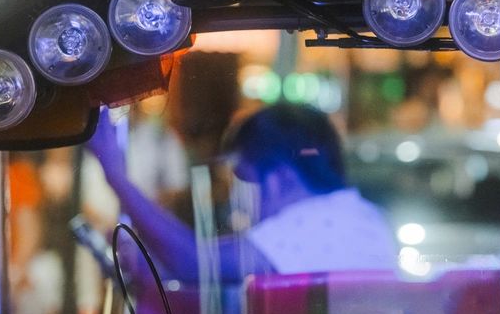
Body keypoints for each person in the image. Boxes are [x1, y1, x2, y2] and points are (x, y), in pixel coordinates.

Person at [88, 99, 395, 282]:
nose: (242, 204)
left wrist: (116, 176)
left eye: (245, 179)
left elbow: (197, 264)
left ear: (281, 178)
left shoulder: (320, 224)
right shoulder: (357, 216)